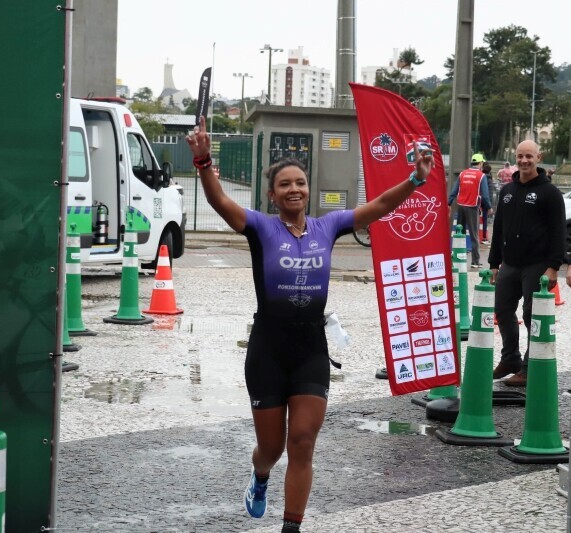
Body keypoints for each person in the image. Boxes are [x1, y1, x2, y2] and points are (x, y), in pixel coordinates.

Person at [186, 116, 435, 533]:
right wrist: (204, 161)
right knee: (272, 447)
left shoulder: (328, 226)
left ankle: (291, 528)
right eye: (285, 184)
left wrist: (415, 179)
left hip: (310, 351)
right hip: (267, 350)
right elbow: (220, 203)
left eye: (299, 182)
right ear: (272, 194)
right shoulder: (261, 227)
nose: (294, 189)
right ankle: (260, 477)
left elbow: (378, 207)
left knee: (302, 441)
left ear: (307, 187)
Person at [488, 140, 566, 387]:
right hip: (510, 264)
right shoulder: (508, 190)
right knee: (502, 310)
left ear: (538, 157)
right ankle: (510, 358)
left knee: (532, 315)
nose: (524, 161)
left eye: (529, 156)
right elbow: (498, 228)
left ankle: (530, 368)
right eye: (520, 156)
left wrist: (554, 266)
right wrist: (493, 263)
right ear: (515, 157)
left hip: (537, 264)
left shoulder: (550, 193)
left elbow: (559, 231)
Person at [448, 154, 491, 268]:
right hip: (472, 207)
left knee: (459, 233)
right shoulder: (481, 176)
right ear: (480, 163)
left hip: (461, 206)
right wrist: (489, 206)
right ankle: (475, 262)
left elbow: (454, 190)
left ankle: (456, 259)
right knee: (474, 235)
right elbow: (485, 196)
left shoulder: (462, 174)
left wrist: (448, 202)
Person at [480, 163, 496, 245]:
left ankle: (475, 235)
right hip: (486, 201)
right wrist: (490, 205)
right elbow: (490, 193)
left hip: (478, 199)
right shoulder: (490, 179)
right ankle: (484, 236)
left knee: (476, 218)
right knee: (485, 219)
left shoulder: (481, 177)